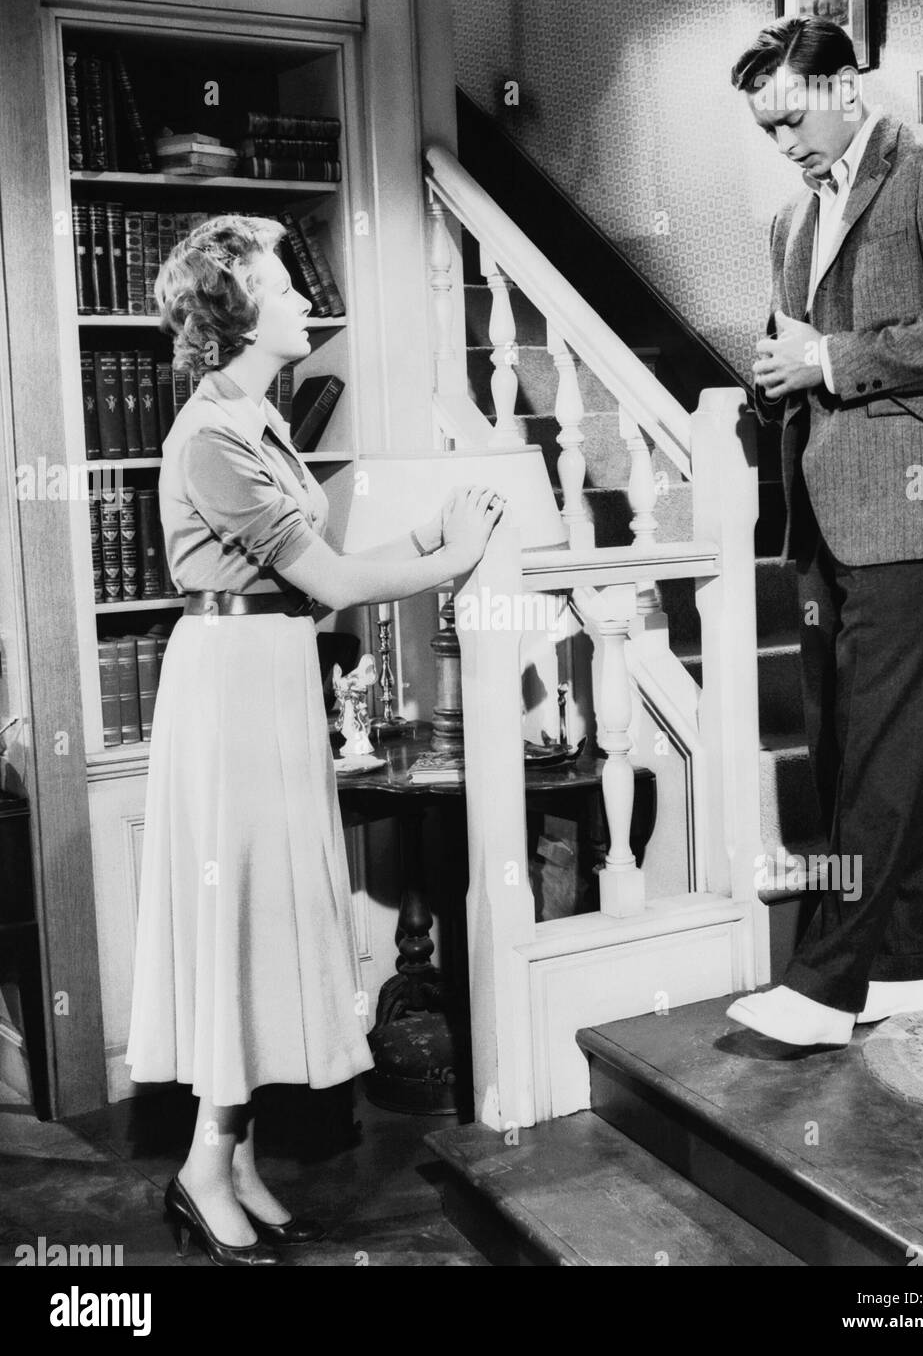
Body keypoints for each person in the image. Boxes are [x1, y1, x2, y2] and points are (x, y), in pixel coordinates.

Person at [124, 214, 505, 1264]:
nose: (302, 298)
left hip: (272, 670)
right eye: (281, 286)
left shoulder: (256, 419)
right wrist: (450, 556)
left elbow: (314, 569)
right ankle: (203, 1164)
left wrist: (429, 539)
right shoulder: (210, 435)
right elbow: (330, 583)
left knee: (266, 917)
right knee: (237, 913)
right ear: (236, 311)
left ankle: (231, 1157)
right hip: (231, 687)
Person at [724, 17, 923, 1047]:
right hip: (826, 513)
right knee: (852, 744)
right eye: (765, 128)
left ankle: (825, 981)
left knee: (877, 761)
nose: (784, 142)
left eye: (792, 116)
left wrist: (832, 362)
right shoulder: (787, 222)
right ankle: (908, 965)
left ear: (844, 83)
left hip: (916, 507)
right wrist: (775, 380)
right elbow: (795, 356)